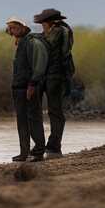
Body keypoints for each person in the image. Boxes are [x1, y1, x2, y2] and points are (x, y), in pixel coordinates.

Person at [6, 17, 48, 163]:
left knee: (34, 119)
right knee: (22, 121)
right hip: (18, 88)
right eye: (10, 28)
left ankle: (38, 152)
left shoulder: (32, 42)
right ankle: (24, 153)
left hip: (29, 87)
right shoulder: (21, 42)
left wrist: (32, 85)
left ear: (23, 27)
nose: (11, 31)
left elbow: (39, 66)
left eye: (14, 28)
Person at [34, 8, 74, 159]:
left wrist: (29, 39)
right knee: (41, 111)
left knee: (55, 112)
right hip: (46, 75)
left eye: (43, 22)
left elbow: (46, 45)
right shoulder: (55, 30)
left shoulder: (60, 30)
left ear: (49, 21)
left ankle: (53, 148)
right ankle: (44, 147)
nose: (42, 25)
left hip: (56, 75)